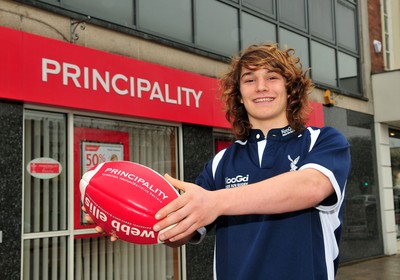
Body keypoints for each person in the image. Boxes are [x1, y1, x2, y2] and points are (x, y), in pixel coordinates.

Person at [88, 43, 351, 280]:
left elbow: (311, 187)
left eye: (272, 77)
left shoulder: (323, 140)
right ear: (238, 93)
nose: (261, 87)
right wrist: (133, 221)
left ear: (290, 88)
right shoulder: (222, 161)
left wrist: (216, 201)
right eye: (249, 80)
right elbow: (183, 230)